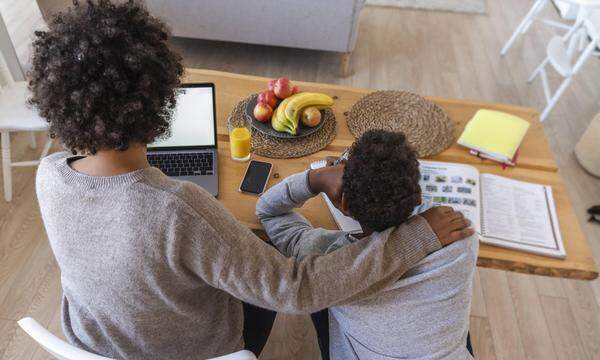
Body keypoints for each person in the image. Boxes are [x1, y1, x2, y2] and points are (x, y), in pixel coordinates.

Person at [30, 1, 473, 359]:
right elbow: (295, 289)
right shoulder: (176, 207)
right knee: (260, 257)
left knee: (249, 250)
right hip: (185, 351)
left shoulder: (48, 175)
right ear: (160, 98)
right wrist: (416, 237)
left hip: (97, 342)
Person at [256, 129, 478, 359]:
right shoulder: (460, 235)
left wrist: (317, 178)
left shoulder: (325, 260)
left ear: (344, 205)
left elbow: (268, 211)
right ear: (419, 195)